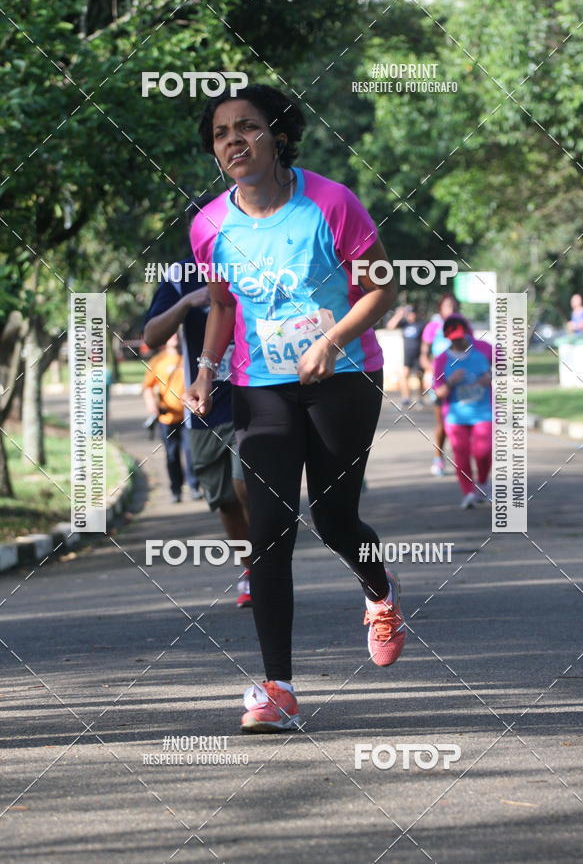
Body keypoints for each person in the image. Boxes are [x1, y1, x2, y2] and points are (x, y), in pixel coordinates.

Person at [183, 83, 406, 733]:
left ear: (278, 135)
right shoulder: (209, 226)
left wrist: (332, 341)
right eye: (221, 133)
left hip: (345, 377)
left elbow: (381, 288)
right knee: (269, 531)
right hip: (262, 388)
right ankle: (278, 686)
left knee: (336, 519)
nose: (232, 141)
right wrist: (205, 372)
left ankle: (380, 594)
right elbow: (223, 306)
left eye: (246, 127)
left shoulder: (329, 203)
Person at [144, 197, 252, 607]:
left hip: (254, 397)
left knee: (248, 487)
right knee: (223, 497)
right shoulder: (179, 276)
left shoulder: (251, 263)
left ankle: (269, 567)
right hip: (203, 407)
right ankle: (252, 568)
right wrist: (189, 302)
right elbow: (151, 336)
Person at [433, 315, 493, 509]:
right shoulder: (442, 359)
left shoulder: (484, 349)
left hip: (483, 411)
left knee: (482, 451)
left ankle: (482, 482)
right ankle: (468, 492)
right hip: (455, 415)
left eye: (461, 336)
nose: (459, 341)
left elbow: (506, 365)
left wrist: (489, 376)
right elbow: (439, 392)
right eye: (454, 338)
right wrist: (451, 382)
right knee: (461, 454)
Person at [142, 334, 201, 504]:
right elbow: (147, 387)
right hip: (166, 418)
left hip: (188, 416)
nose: (174, 337)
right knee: (171, 455)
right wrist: (151, 404)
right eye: (171, 333)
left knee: (190, 452)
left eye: (177, 333)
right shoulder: (158, 361)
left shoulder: (189, 357)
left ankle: (194, 486)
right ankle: (176, 490)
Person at [420, 293, 461, 476]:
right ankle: (438, 458)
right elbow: (423, 356)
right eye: (447, 306)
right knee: (443, 423)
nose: (450, 309)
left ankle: (463, 461)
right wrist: (431, 370)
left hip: (461, 379)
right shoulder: (433, 327)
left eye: (453, 306)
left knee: (462, 423)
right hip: (440, 381)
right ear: (441, 308)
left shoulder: (462, 326)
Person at [387, 304, 425, 405]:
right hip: (407, 355)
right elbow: (390, 326)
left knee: (420, 376)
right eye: (409, 314)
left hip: (418, 354)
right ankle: (406, 397)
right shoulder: (405, 324)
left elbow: (426, 341)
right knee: (404, 375)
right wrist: (399, 315)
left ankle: (420, 398)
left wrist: (424, 355)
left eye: (412, 313)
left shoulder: (421, 324)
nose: (411, 316)